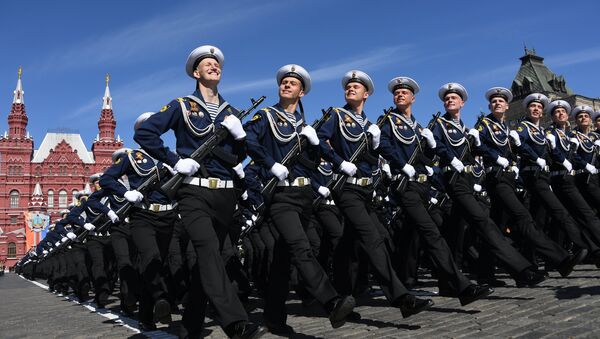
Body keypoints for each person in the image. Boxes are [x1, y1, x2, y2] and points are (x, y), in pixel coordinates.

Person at [134, 45, 263, 339]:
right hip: (193, 192)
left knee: (209, 260)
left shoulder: (231, 111)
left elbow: (237, 156)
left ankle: (191, 325)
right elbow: (145, 133)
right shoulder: (182, 105)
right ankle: (235, 323)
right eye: (207, 63)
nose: (214, 65)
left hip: (225, 195)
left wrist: (241, 136)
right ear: (196, 72)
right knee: (208, 251)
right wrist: (176, 160)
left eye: (217, 63)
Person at [244, 64, 355, 335]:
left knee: (285, 259)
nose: (286, 85)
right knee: (301, 246)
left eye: (292, 83)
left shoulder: (305, 127)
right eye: (284, 81)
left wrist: (317, 145)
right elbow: (247, 139)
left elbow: (316, 163)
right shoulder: (266, 116)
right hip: (281, 195)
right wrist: (270, 163)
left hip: (303, 195)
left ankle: (273, 315)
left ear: (301, 92)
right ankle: (331, 301)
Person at [318, 70, 434, 316]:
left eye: (356, 87)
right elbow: (318, 139)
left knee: (348, 244)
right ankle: (401, 297)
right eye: (348, 86)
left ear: (366, 94)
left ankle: (341, 295)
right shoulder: (337, 116)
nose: (351, 89)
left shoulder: (370, 126)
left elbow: (376, 158)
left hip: (364, 190)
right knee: (373, 238)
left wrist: (384, 160)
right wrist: (338, 162)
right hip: (346, 188)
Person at [378, 76, 493, 304]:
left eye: (405, 92)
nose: (400, 95)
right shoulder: (387, 120)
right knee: (431, 232)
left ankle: (405, 280)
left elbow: (425, 158)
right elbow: (383, 144)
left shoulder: (419, 126)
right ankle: (460, 286)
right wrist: (402, 165)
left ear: (413, 98)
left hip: (421, 186)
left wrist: (430, 148)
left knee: (412, 236)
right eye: (397, 92)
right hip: (404, 184)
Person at [431, 83, 544, 286]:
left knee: (455, 231)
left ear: (462, 103)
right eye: (446, 98)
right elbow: (434, 148)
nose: (449, 100)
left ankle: (454, 279)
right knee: (483, 222)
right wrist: (450, 156)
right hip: (453, 180)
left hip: (467, 181)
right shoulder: (439, 124)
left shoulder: (465, 128)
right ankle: (521, 270)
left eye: (453, 98)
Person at [475, 87, 586, 277]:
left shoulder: (506, 128)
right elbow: (479, 147)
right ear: (489, 105)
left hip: (509, 179)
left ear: (507, 106)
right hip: (496, 178)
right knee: (523, 217)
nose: (497, 104)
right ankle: (559, 260)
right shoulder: (483, 125)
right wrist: (493, 155)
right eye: (494, 102)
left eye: (501, 101)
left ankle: (484, 271)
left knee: (497, 226)